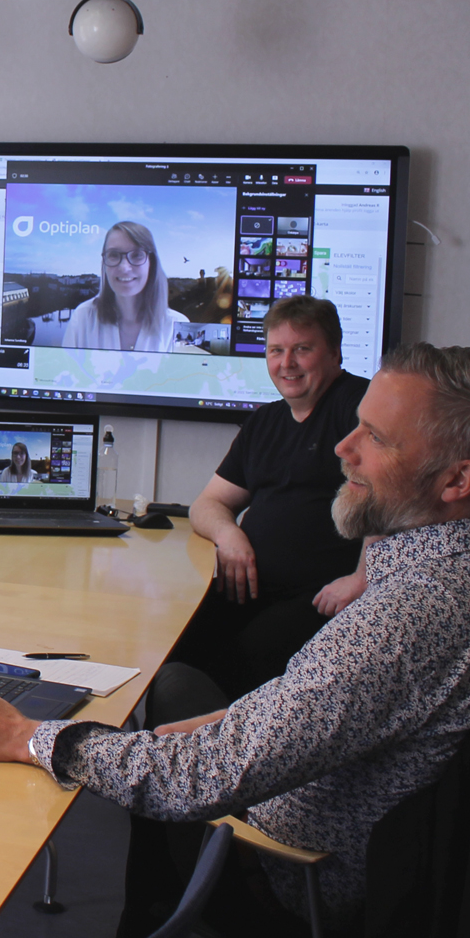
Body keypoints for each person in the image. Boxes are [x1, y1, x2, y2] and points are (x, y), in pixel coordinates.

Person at [0, 343, 470, 938]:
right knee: (181, 696)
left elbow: (195, 783)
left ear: (456, 481)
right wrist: (229, 721)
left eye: (376, 438)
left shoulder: (404, 623)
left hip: (301, 884)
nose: (342, 448)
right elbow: (358, 709)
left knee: (143, 757)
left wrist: (27, 737)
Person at [178, 296, 368, 698]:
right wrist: (229, 537)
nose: (287, 363)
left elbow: (396, 498)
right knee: (176, 646)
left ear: (334, 352)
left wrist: (362, 578)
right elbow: (207, 504)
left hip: (320, 598)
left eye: (302, 349)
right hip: (247, 590)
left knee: (244, 659)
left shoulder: (361, 409)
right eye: (276, 351)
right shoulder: (265, 421)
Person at [60, 221, 189, 353]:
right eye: (114, 255)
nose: (124, 268)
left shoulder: (178, 326)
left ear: (152, 263)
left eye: (137, 255)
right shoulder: (82, 318)